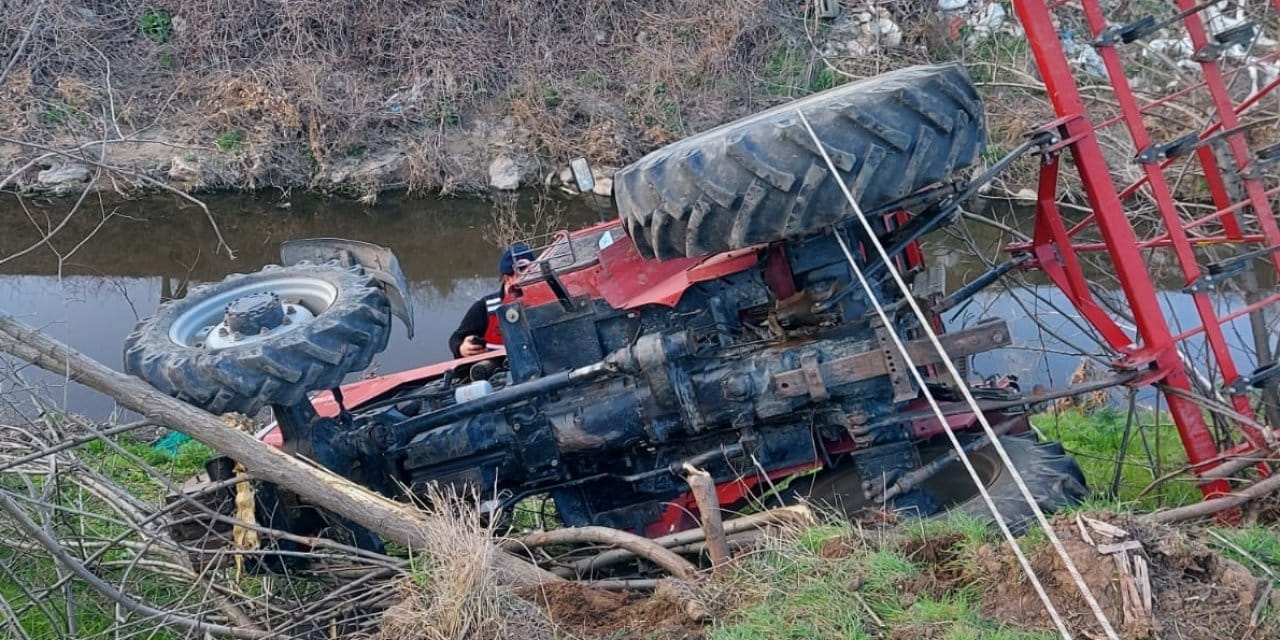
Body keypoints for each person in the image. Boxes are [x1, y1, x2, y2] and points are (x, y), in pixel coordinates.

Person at [448, 243, 534, 358]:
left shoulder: (544, 298)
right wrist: (461, 348)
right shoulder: (485, 307)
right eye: (524, 272)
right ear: (507, 279)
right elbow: (456, 338)